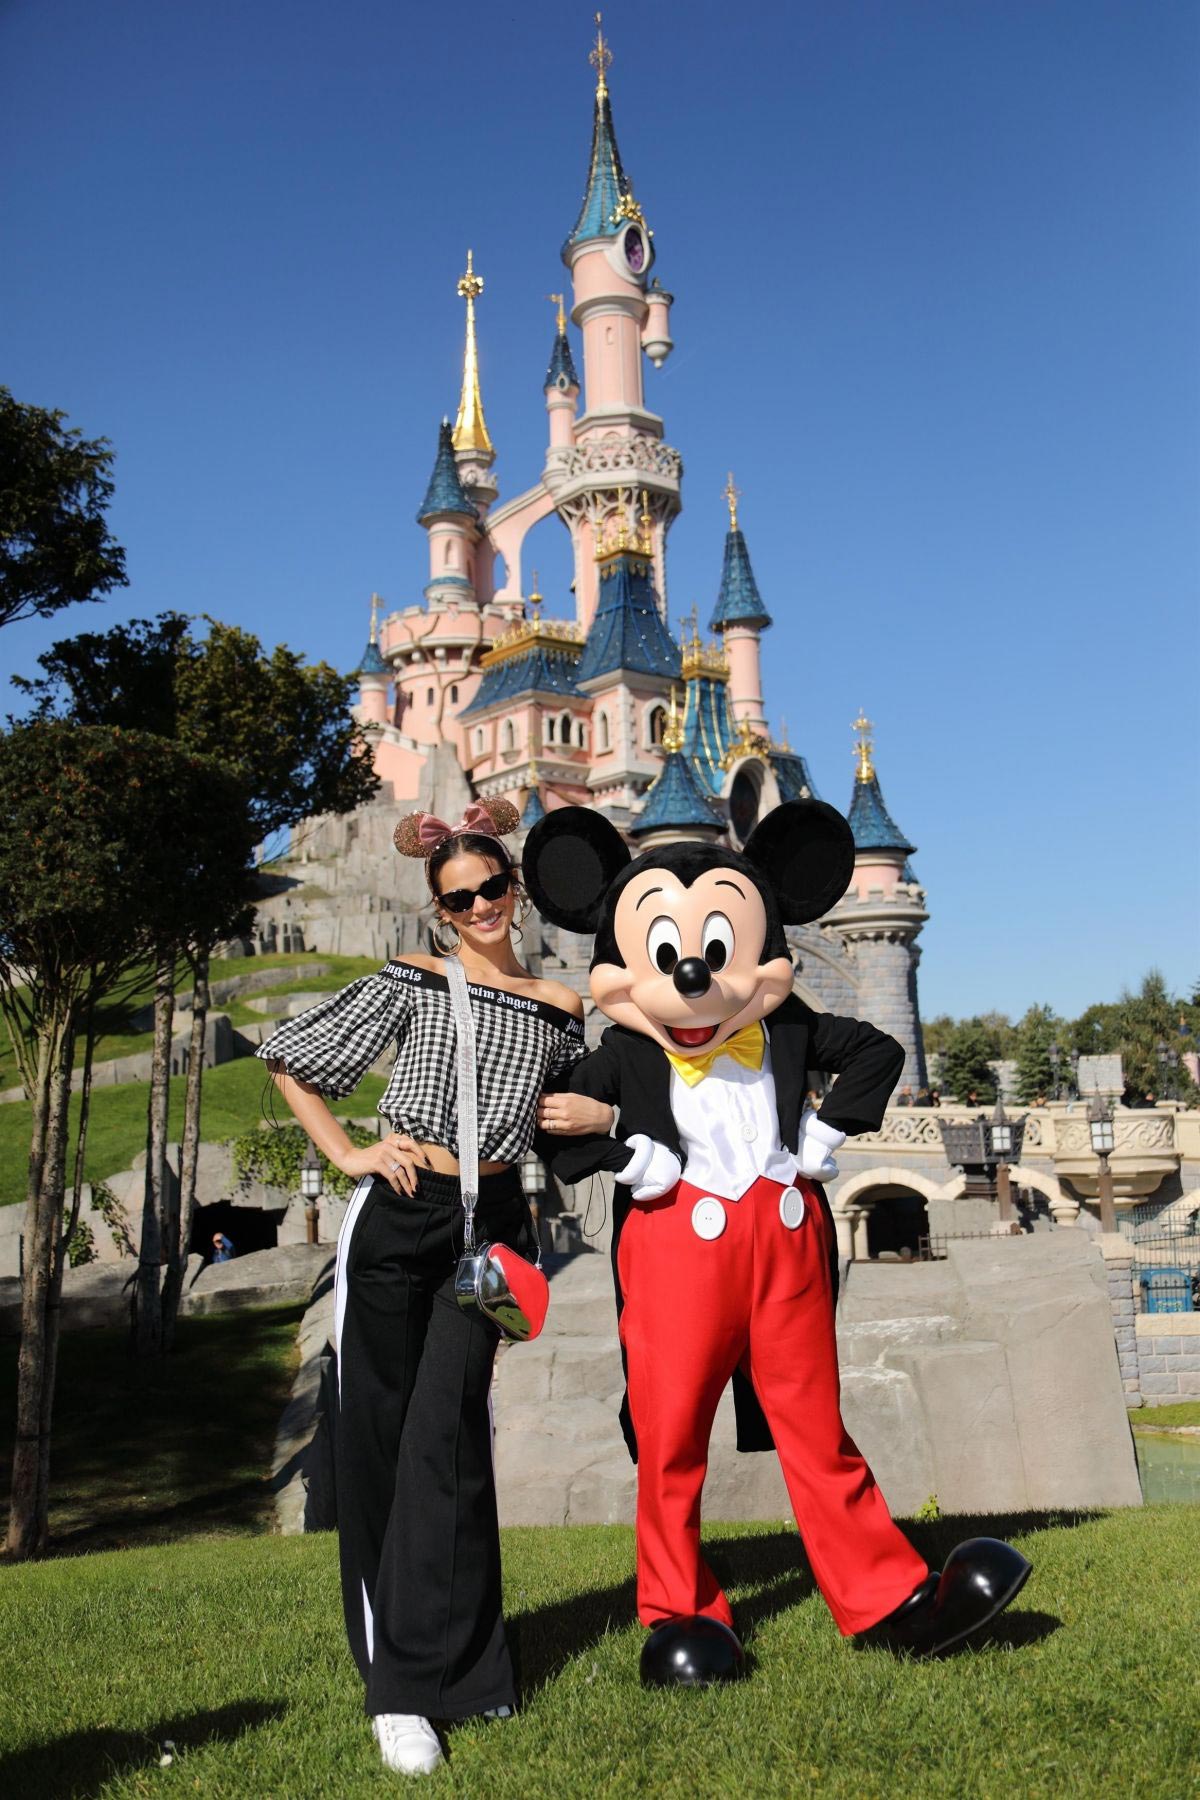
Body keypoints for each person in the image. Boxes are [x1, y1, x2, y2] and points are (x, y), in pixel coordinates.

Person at [257, 800, 611, 1774]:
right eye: (461, 899)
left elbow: (574, 1127)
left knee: (450, 1442)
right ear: (442, 913)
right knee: (378, 1444)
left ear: (516, 886)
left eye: (494, 887)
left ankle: (462, 1672)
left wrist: (605, 1104)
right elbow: (293, 1060)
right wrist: (351, 1152)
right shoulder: (415, 980)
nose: (481, 906)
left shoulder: (560, 1006)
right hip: (399, 1219)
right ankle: (400, 1690)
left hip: (493, 1233)